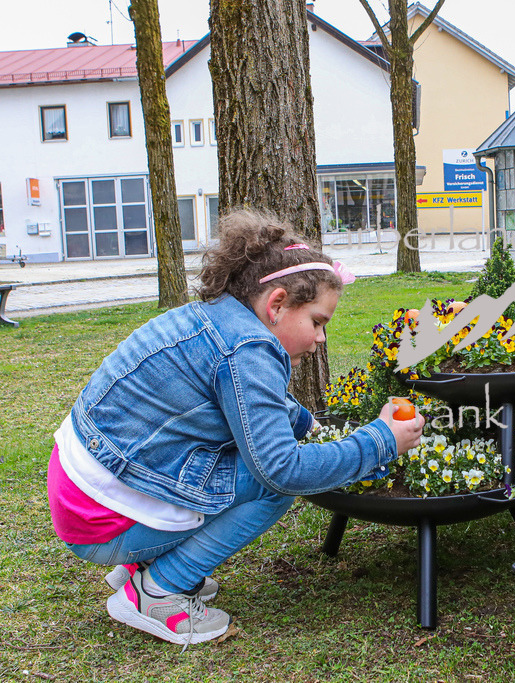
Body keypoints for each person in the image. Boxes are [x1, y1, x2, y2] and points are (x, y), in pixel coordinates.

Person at [46, 209, 424, 646]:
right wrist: (380, 441)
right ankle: (159, 590)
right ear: (277, 303)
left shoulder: (219, 317)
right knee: (274, 485)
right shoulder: (249, 347)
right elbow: (281, 468)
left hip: (84, 494)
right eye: (318, 322)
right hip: (101, 521)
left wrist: (309, 424)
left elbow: (256, 405)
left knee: (244, 460)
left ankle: (142, 563)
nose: (321, 338)